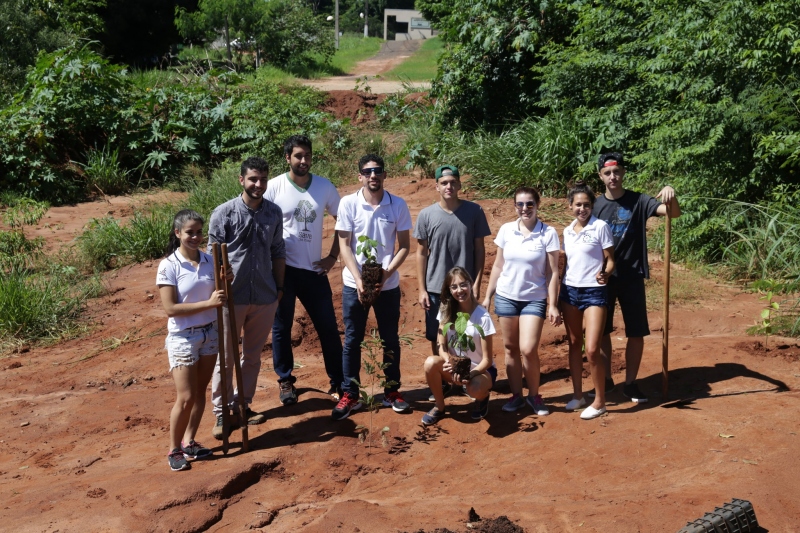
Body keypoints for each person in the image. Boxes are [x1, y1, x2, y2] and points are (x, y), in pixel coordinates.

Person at [207, 156, 286, 440]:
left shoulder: (274, 213)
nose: (258, 184)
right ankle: (221, 412)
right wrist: (218, 288)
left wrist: (278, 288)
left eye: (263, 179)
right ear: (241, 180)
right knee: (226, 358)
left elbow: (278, 251)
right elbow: (212, 257)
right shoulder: (224, 214)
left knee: (252, 356)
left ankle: (243, 405)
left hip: (264, 294)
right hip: (232, 296)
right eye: (253, 179)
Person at [593, 152, 681, 404]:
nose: (613, 176)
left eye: (617, 171)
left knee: (636, 331)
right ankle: (606, 381)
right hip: (602, 278)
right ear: (601, 176)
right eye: (608, 173)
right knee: (601, 332)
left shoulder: (639, 201)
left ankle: (630, 384)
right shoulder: (595, 206)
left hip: (632, 276)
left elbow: (672, 214)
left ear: (623, 173)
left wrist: (670, 193)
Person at [332, 154, 412, 420]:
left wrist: (385, 275)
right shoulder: (348, 204)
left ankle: (392, 392)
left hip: (387, 286)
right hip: (353, 284)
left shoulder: (397, 205)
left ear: (385, 175)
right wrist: (358, 280)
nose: (373, 176)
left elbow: (404, 246)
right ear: (360, 177)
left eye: (377, 171)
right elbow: (345, 245)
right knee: (353, 339)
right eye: (367, 172)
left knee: (390, 339)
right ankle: (350, 395)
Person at [265, 135, 344, 405]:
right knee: (281, 327)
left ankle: (339, 382)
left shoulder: (324, 187)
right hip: (282, 271)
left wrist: (333, 256)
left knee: (328, 329)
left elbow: (344, 221)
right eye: (298, 156)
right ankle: (286, 381)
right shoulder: (273, 187)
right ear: (287, 157)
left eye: (307, 155)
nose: (303, 161)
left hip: (313, 272)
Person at [482, 186, 561, 416]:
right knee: (510, 348)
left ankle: (534, 395)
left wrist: (553, 304)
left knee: (528, 349)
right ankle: (516, 395)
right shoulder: (507, 230)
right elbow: (498, 266)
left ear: (538, 205)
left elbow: (553, 272)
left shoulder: (548, 233)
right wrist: (488, 296)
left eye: (529, 204)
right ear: (514, 206)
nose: (525, 209)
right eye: (520, 204)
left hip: (534, 298)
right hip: (506, 296)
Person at [415, 164, 491, 399]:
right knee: (438, 336)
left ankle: (468, 376)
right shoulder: (426, 215)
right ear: (436, 186)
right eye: (444, 182)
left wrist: (476, 283)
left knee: (467, 333)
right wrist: (422, 288)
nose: (449, 186)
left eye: (453, 182)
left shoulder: (474, 211)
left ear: (459, 184)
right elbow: (421, 252)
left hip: (464, 289)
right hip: (437, 288)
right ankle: (444, 381)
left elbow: (480, 249)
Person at [157, 210, 224, 471]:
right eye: (189, 232)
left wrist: (224, 282)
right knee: (185, 397)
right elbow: (170, 308)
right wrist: (208, 302)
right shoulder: (169, 265)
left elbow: (221, 294)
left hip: (210, 333)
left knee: (199, 393)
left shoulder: (210, 260)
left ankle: (189, 442)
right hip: (183, 337)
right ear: (178, 234)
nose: (195, 237)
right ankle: (173, 450)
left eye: (199, 232)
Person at [559, 182, 615, 420]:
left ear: (592, 206)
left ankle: (600, 401)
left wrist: (606, 272)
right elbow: (567, 264)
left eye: (587, 205)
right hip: (570, 291)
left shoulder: (600, 226)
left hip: (595, 291)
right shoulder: (567, 231)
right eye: (578, 204)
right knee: (573, 343)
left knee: (592, 348)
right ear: (570, 206)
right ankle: (578, 395)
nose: (582, 209)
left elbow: (611, 259)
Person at [422, 267, 497, 425]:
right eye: (454, 287)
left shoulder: (482, 316)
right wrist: (447, 360)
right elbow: (440, 343)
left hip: (481, 370)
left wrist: (470, 375)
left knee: (474, 389)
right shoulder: (446, 310)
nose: (459, 290)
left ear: (470, 285)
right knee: (430, 363)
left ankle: (482, 398)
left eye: (463, 285)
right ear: (449, 290)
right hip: (455, 367)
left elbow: (488, 359)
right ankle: (440, 407)